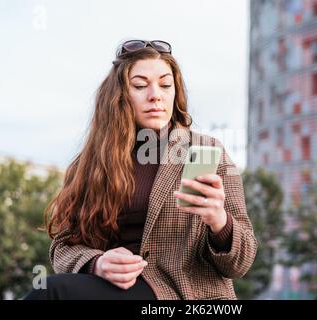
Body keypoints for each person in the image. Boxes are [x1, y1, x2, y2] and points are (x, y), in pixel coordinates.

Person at [24, 39, 257, 300]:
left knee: (52, 291)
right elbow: (64, 245)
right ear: (119, 96)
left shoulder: (206, 152)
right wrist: (97, 263)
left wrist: (219, 222)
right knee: (47, 289)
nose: (155, 94)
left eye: (166, 85)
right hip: (116, 289)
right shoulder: (90, 162)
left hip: (185, 296)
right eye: (140, 85)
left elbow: (242, 262)